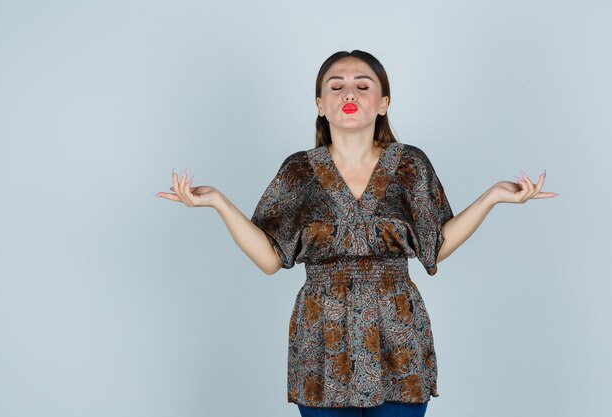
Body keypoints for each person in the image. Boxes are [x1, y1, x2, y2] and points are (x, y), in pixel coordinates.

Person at [156, 50, 558, 417]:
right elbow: (269, 259)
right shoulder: (299, 170)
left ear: (383, 103)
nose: (350, 92)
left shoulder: (409, 166)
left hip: (397, 334)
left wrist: (491, 197)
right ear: (319, 104)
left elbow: (436, 245)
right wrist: (218, 202)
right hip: (322, 339)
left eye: (363, 86)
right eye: (336, 86)